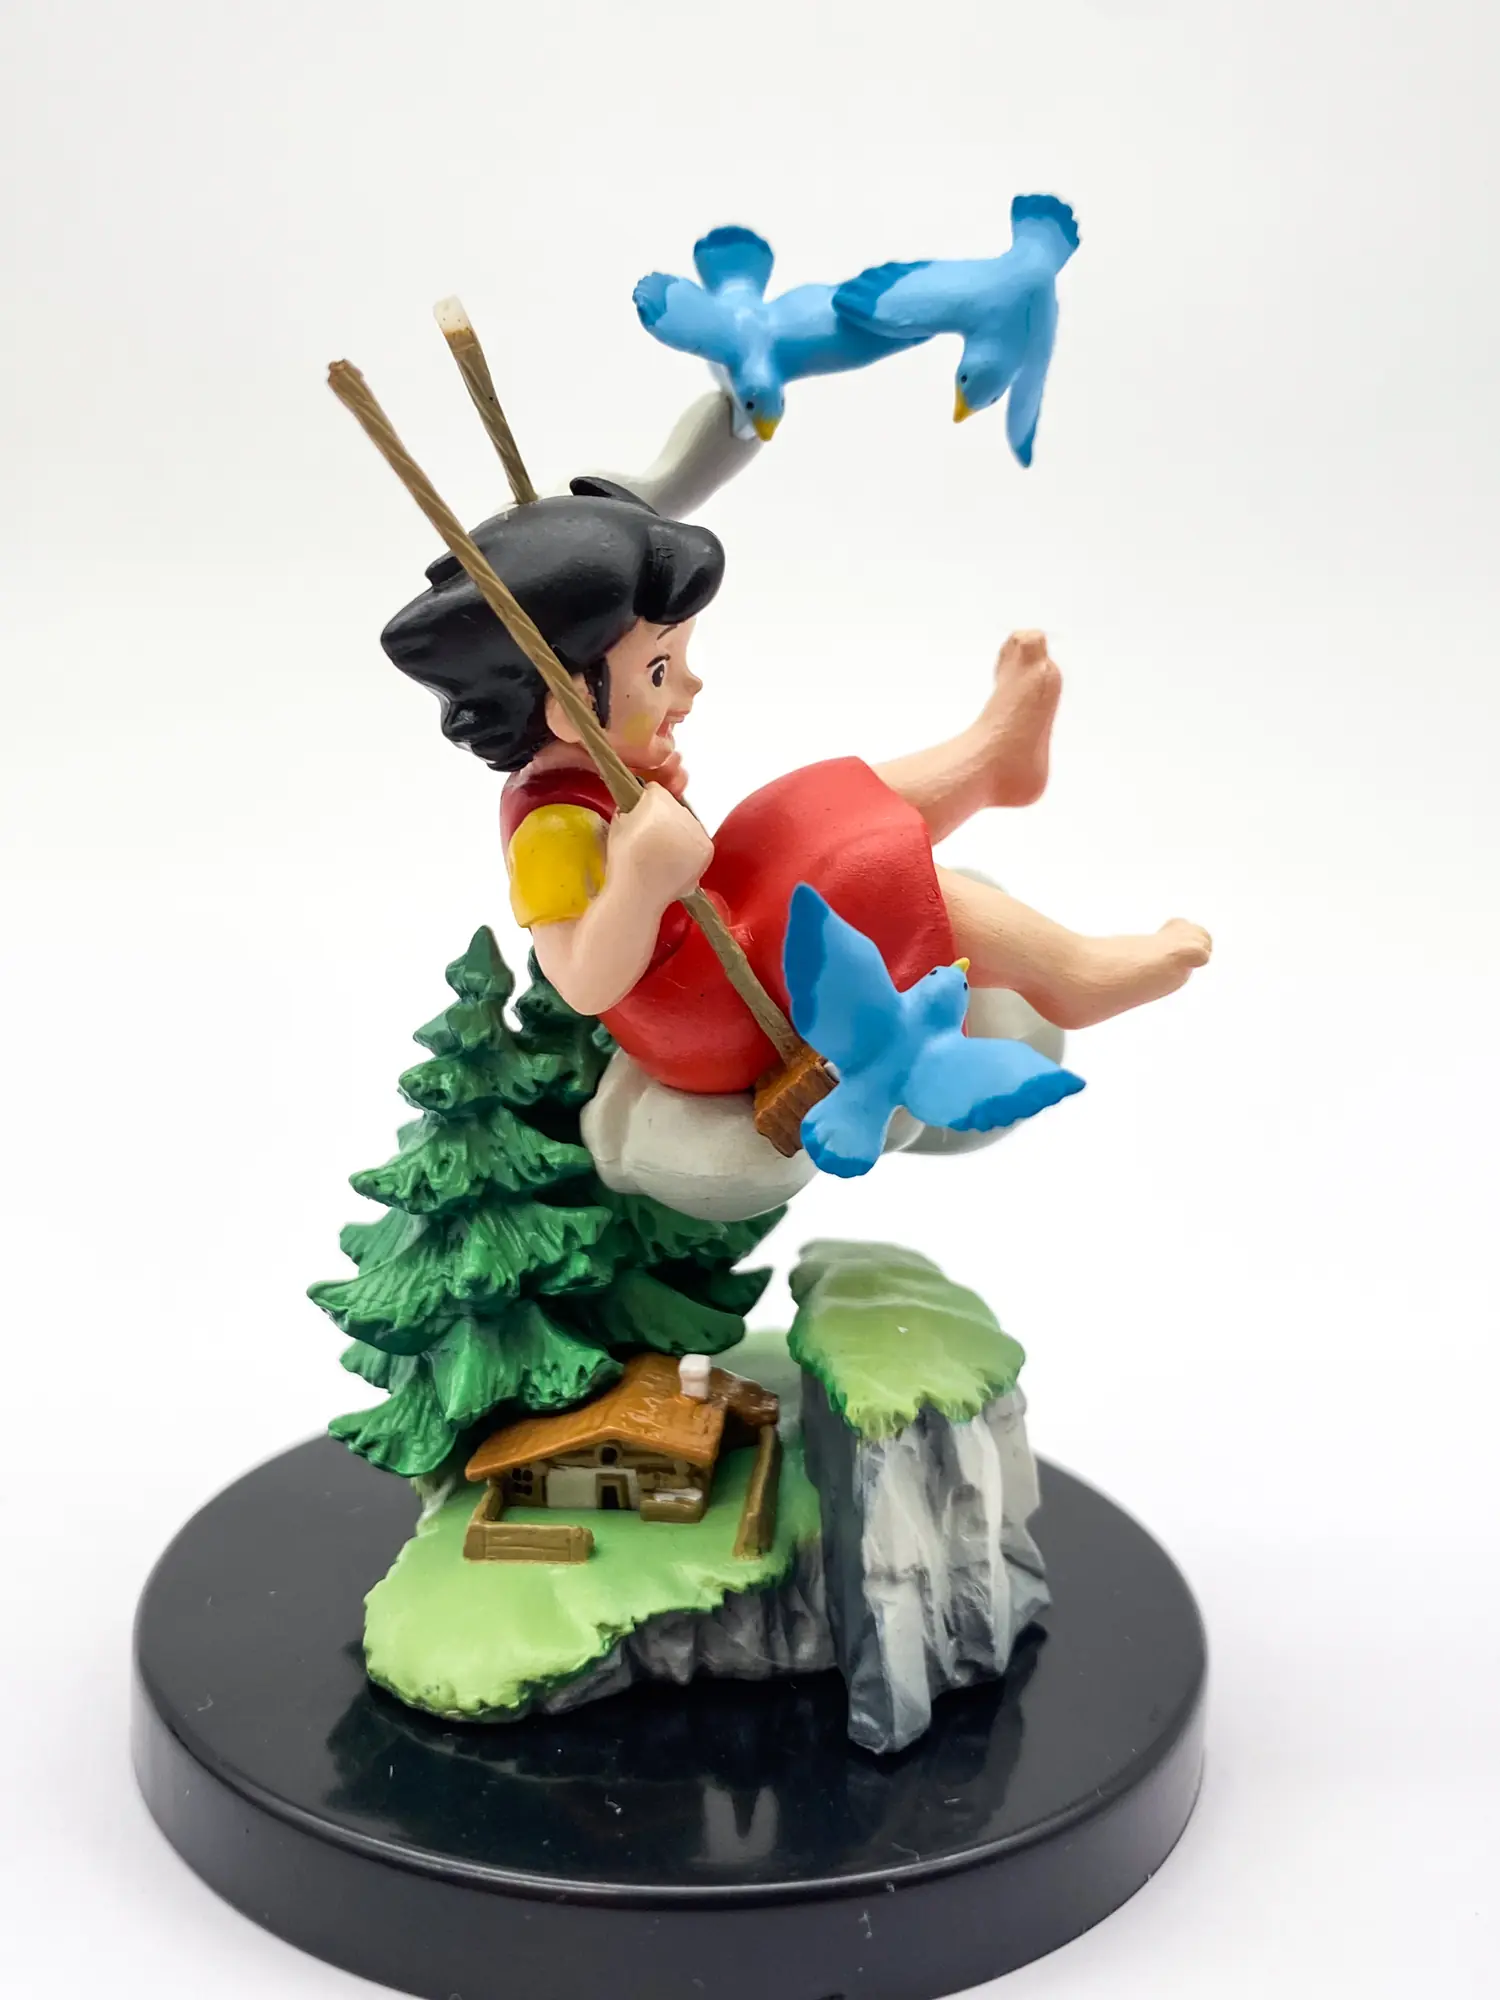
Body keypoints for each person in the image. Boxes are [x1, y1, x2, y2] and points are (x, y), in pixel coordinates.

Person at [382, 479, 1211, 1095]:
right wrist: (636, 881)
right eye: (661, 670)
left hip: (714, 926)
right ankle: (1070, 975)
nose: (690, 688)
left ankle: (988, 764)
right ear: (568, 709)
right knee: (860, 879)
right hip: (704, 1016)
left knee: (808, 803)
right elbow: (584, 981)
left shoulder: (589, 765)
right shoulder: (550, 833)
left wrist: (653, 793)